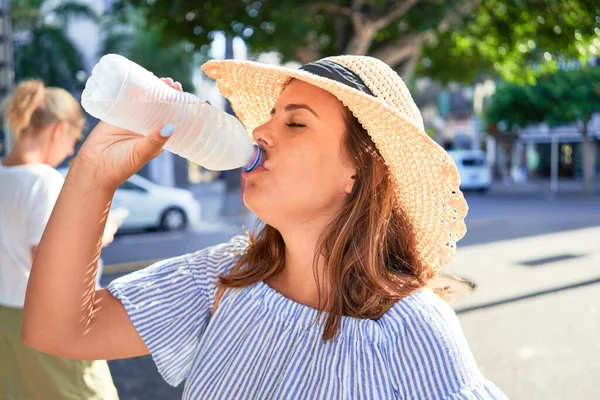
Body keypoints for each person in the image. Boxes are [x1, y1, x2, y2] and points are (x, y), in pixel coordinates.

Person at [23, 59, 508, 399]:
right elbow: (59, 330)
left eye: (295, 124)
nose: (259, 131)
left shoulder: (410, 330)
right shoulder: (224, 278)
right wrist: (94, 172)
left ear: (359, 173)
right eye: (272, 115)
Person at [0, 80, 119, 399]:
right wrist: (98, 235)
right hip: (52, 321)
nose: (71, 150)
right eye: (73, 140)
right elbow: (53, 270)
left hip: (7, 318)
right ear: (58, 129)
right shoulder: (44, 181)